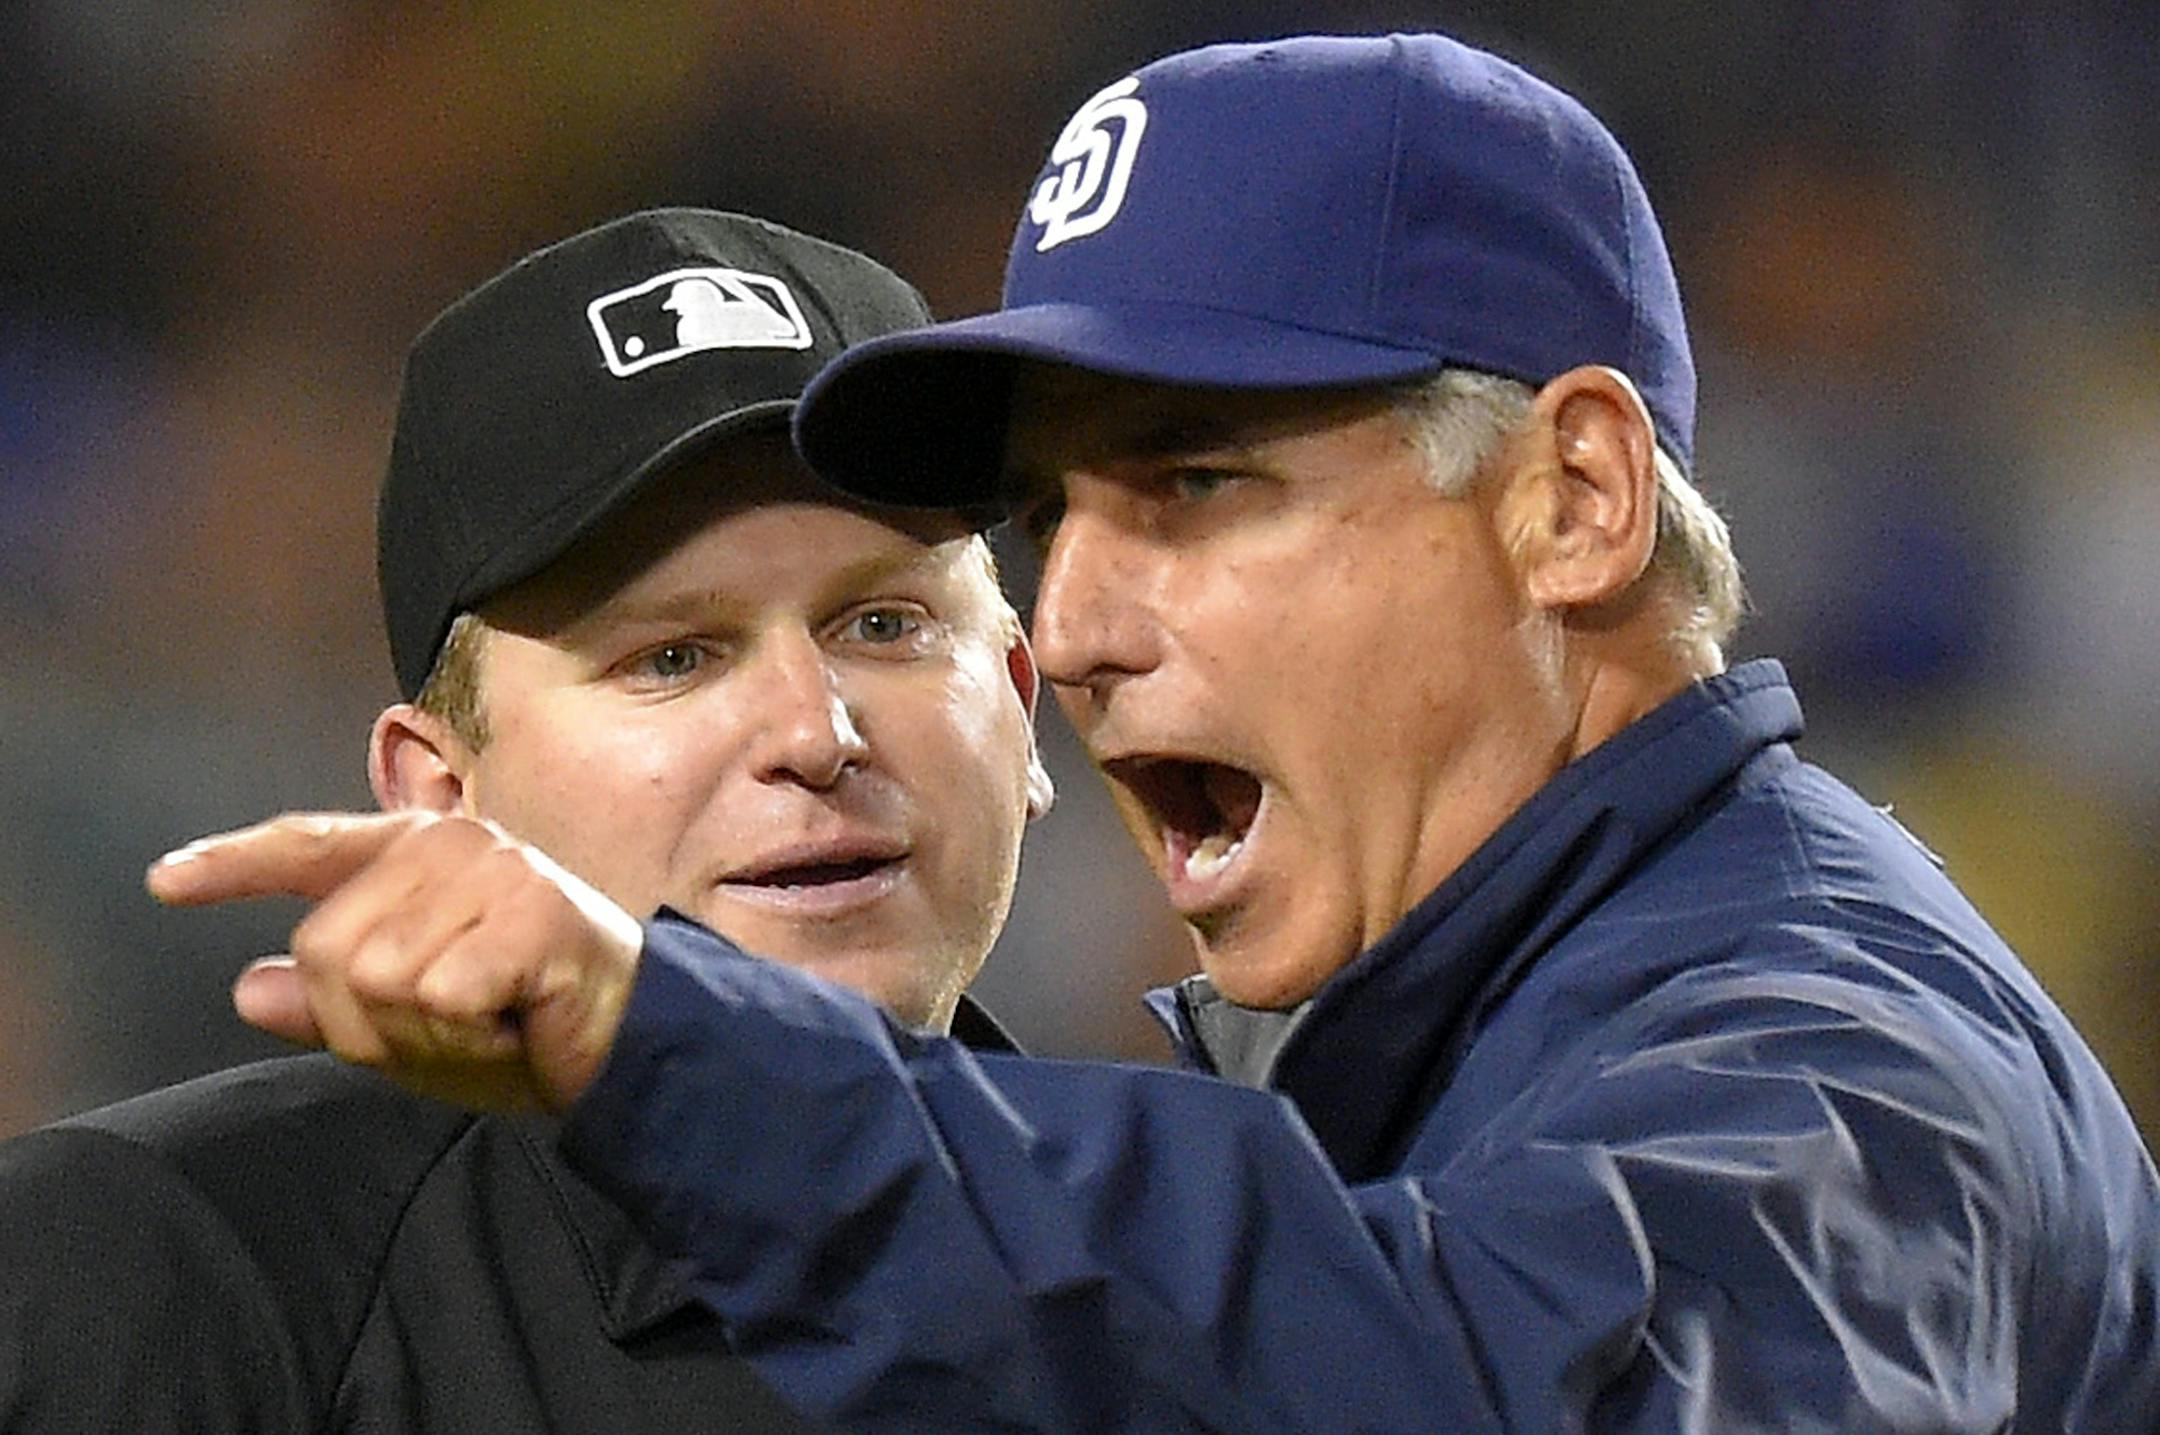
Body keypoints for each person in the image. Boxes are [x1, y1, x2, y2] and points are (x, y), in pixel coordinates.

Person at [149, 35, 2160, 1433]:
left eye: (1193, 484)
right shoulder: (1462, 1045)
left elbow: (1477, 1388)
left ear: (1576, 502)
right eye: (1056, 521)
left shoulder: (1844, 1066)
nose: (1079, 629)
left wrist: (671, 1046)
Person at [0, 207, 1053, 1431]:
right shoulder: (172, 1273)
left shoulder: (1219, 1267)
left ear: (1025, 705)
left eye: (885, 625)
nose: (817, 736)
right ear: (441, 796)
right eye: (672, 657)